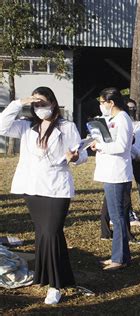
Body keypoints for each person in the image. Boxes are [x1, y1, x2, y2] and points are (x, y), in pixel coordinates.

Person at [0, 87, 87, 304]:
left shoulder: (66, 126)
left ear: (53, 102)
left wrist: (75, 157)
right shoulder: (27, 126)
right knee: (44, 234)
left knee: (51, 232)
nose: (40, 108)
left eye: (43, 103)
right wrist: (19, 102)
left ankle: (54, 286)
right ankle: (54, 277)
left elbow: (81, 154)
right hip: (33, 189)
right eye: (36, 105)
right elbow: (1, 126)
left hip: (56, 188)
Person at [90, 87, 133, 271]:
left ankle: (119, 258)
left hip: (117, 173)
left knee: (118, 217)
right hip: (110, 172)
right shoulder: (114, 119)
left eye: (102, 102)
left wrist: (101, 146)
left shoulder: (122, 118)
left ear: (111, 102)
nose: (101, 106)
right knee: (117, 216)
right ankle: (121, 255)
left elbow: (121, 146)